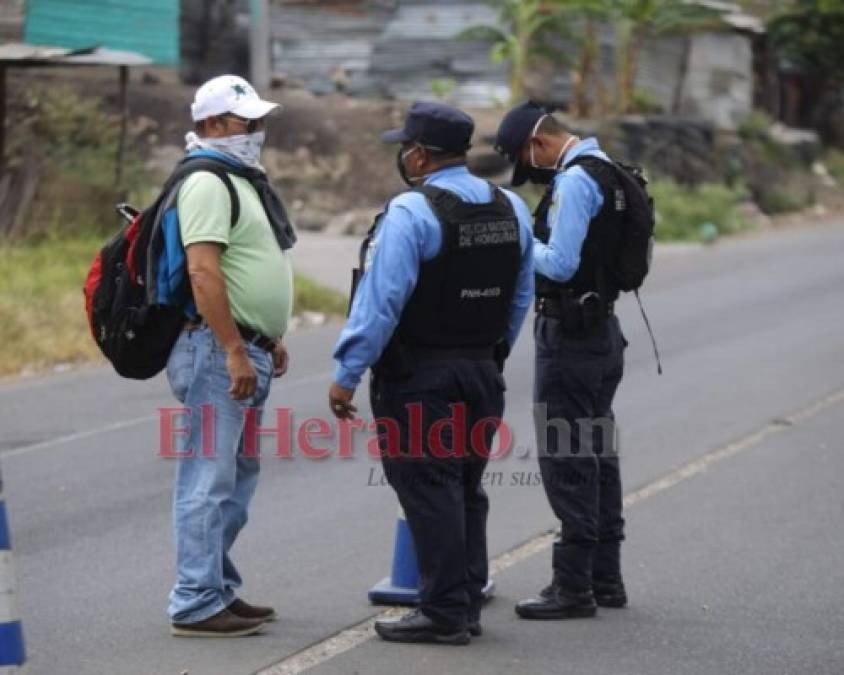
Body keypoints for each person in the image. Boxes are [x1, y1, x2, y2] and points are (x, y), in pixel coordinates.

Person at [329, 101, 534, 645]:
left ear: (418, 154)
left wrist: (347, 372)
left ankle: (444, 612)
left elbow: (380, 303)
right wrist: (490, 355)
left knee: (428, 487)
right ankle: (462, 600)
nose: (404, 156)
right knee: (464, 485)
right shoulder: (510, 206)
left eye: (405, 147)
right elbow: (520, 296)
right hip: (482, 370)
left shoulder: (410, 213)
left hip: (421, 375)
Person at [165, 75, 296, 637]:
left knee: (235, 485)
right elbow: (202, 270)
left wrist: (268, 337)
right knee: (208, 481)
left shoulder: (240, 178)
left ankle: (216, 585)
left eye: (260, 122)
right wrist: (235, 348)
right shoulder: (207, 181)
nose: (258, 132)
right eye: (249, 122)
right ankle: (195, 601)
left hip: (245, 350)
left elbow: (244, 266)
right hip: (221, 354)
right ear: (215, 125)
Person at [494, 101, 629, 620]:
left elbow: (563, 261)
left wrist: (519, 240)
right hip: (602, 332)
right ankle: (605, 578)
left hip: (571, 336)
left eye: (529, 160)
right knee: (598, 452)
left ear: (539, 144)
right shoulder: (610, 170)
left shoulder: (574, 182)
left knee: (567, 457)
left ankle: (572, 587)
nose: (533, 170)